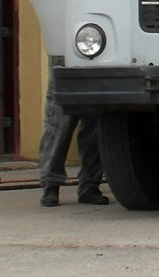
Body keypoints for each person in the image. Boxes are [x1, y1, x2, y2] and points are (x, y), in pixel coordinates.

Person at [38, 55, 109, 207]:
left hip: (98, 52)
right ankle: (51, 185)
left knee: (95, 123)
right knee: (60, 122)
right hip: (65, 51)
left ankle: (89, 185)